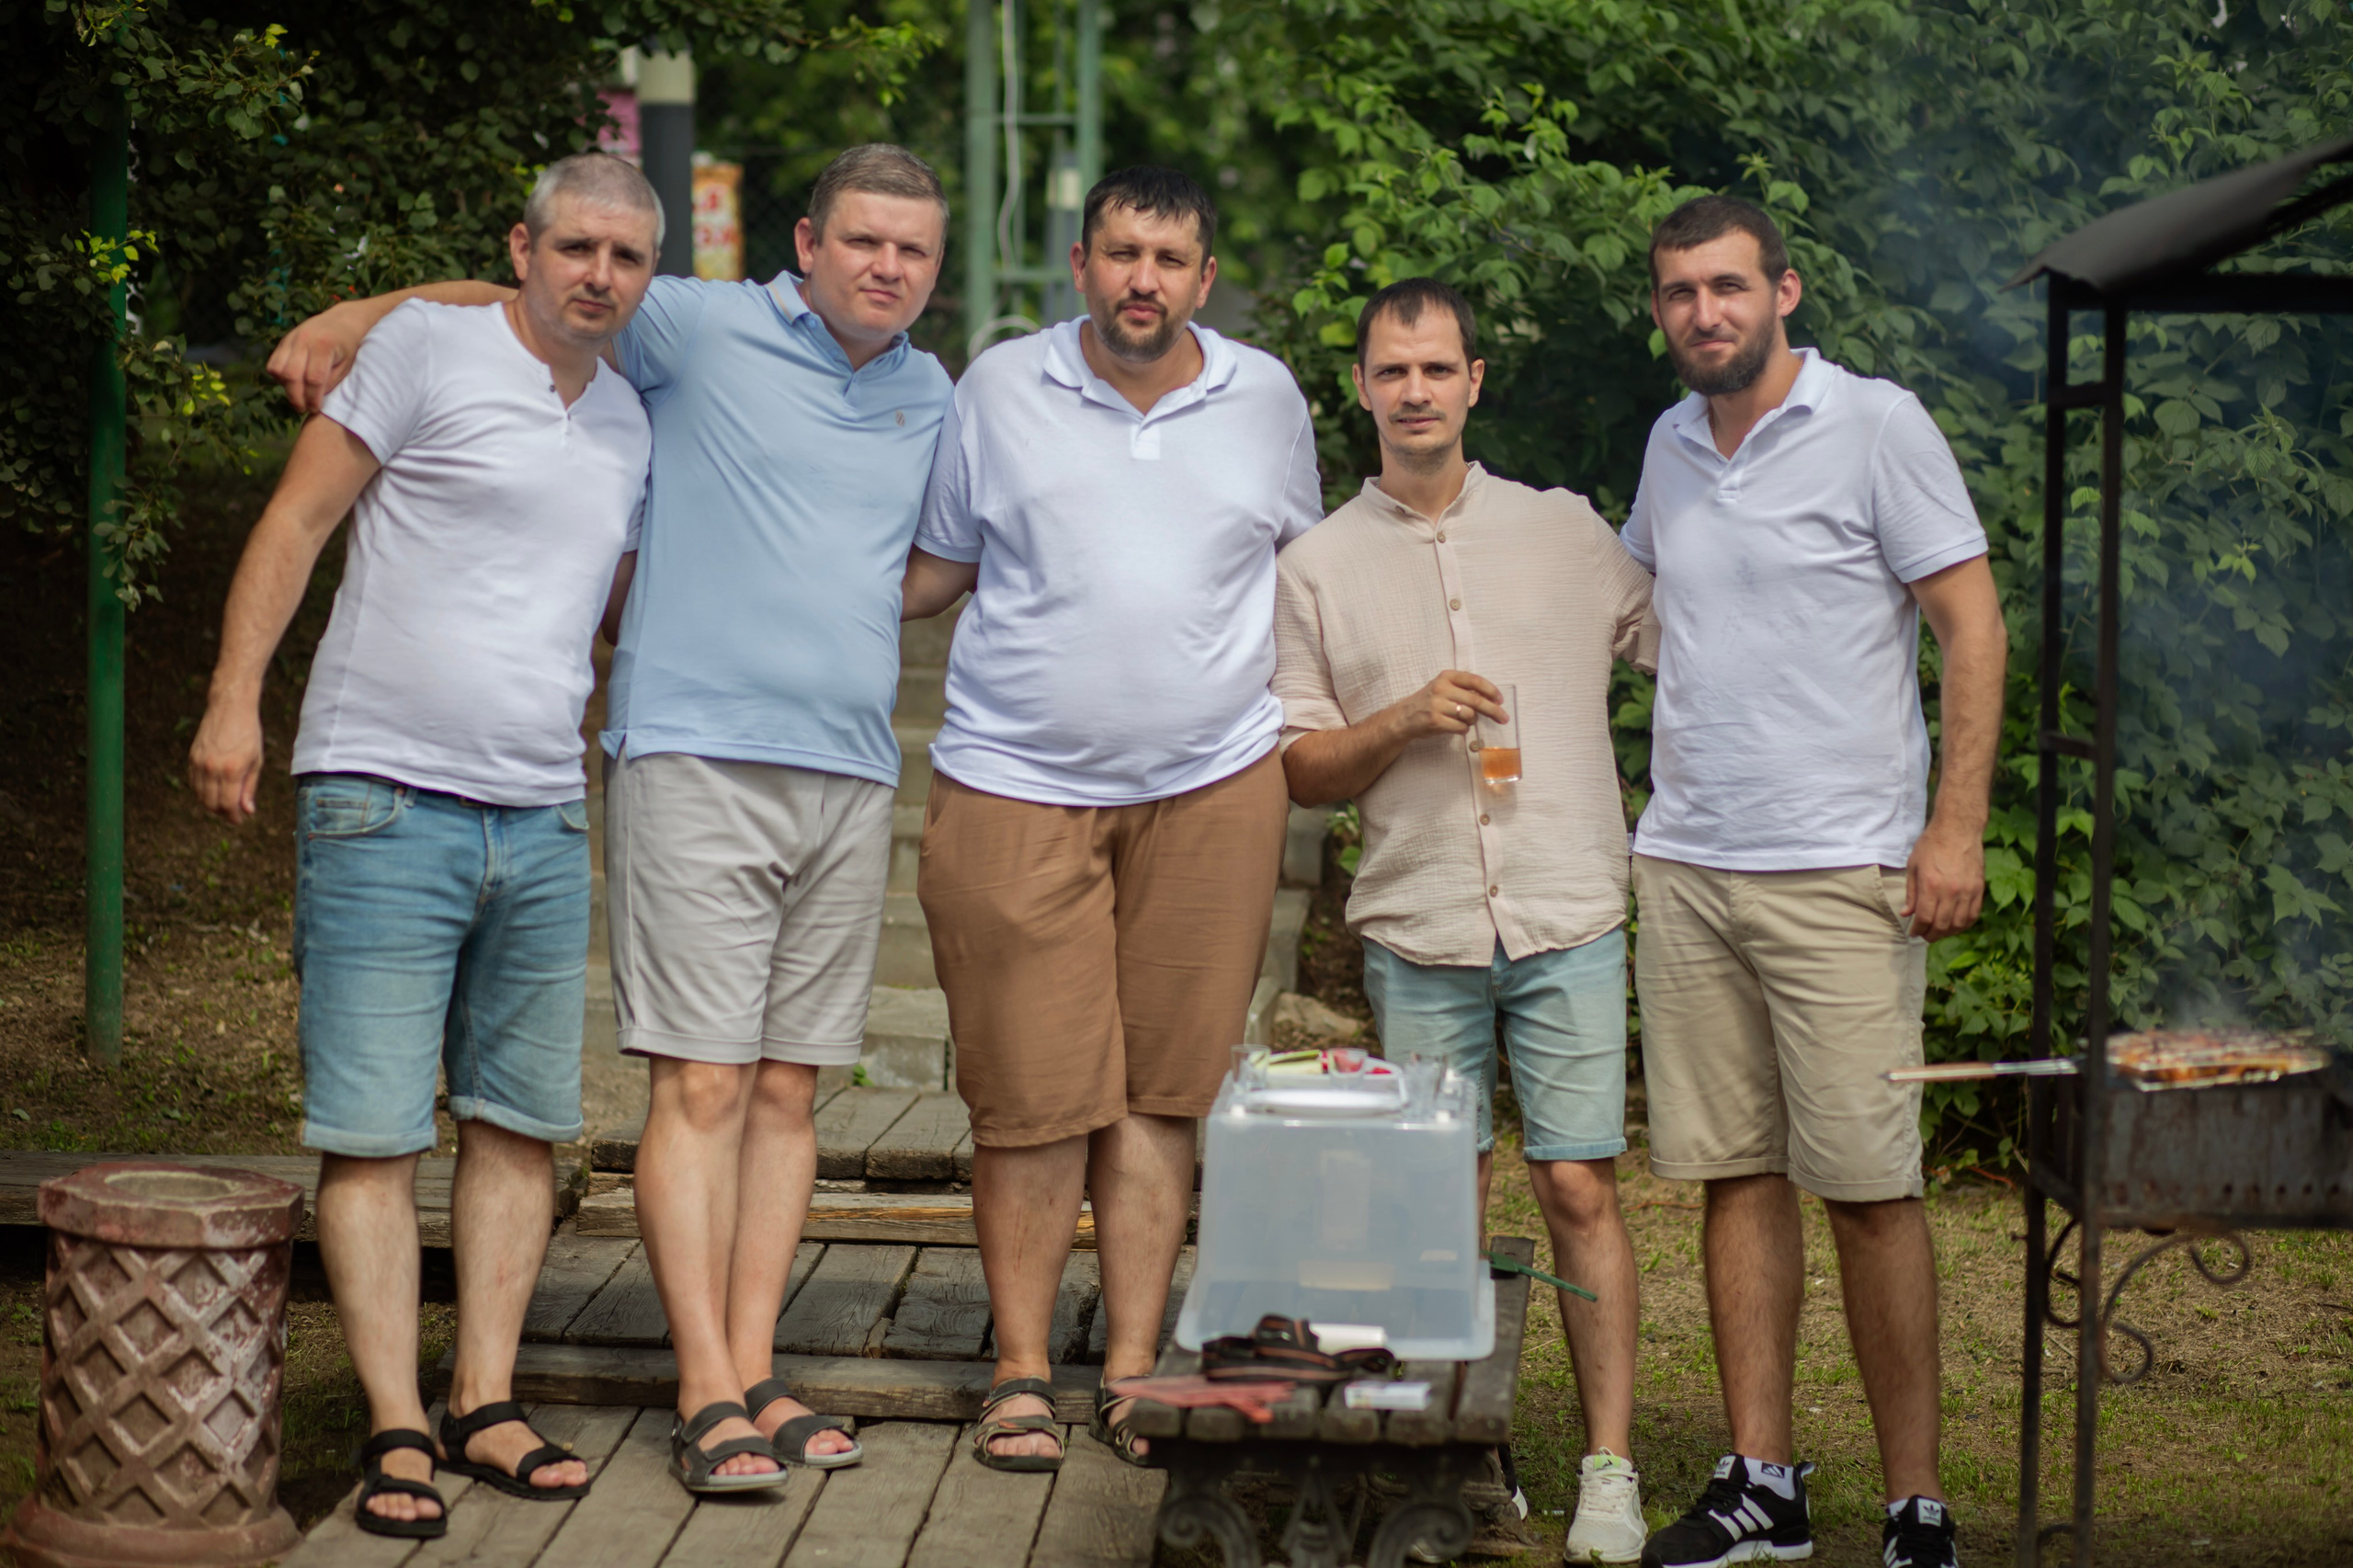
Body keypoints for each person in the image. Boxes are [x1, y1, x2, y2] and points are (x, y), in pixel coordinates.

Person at [263, 143, 958, 1494]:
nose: (885, 266)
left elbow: (937, 558)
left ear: (933, 270)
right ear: (806, 243)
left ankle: (756, 1365)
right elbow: (542, 291)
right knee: (698, 1080)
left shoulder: (930, 391)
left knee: (789, 1087)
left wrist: (847, 606)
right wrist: (363, 316)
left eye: (912, 250)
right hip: (691, 752)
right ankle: (704, 1389)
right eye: (863, 240)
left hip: (852, 770)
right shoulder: (701, 324)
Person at [188, 152, 660, 1538]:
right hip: (381, 787)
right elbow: (296, 521)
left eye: (626, 259)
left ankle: (486, 1396)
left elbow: (609, 608)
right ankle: (396, 1421)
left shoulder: (631, 417)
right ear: (522, 246)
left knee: (517, 1123)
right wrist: (232, 703)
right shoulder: (426, 352)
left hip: (544, 804)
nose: (599, 276)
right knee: (378, 1128)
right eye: (576, 247)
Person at [901, 165, 1320, 1472]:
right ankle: (1022, 1368)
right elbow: (936, 566)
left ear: (1204, 276)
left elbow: (1309, 578)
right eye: (1124, 252)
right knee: (1028, 1097)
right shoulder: (999, 388)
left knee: (1161, 1091)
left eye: (1172, 258)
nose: (1146, 278)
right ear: (1081, 263)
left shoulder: (1265, 400)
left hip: (1214, 783)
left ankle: (1135, 1366)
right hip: (1016, 782)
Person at [1623, 196, 2003, 1568]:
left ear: (1783, 290)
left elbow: (1971, 626)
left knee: (1869, 1185)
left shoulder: (1876, 424)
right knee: (1735, 1174)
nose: (1704, 314)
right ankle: (1762, 1486)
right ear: (1661, 309)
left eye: (1728, 287)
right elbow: (1635, 611)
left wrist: (1949, 830)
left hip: (1843, 867)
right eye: (1679, 293)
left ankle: (1916, 1507)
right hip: (1689, 861)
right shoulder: (1670, 444)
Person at [1273, 276, 1655, 1562]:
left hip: (1567, 909)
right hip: (1420, 922)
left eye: (1438, 369)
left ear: (1474, 381)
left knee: (1578, 1184)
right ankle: (1461, 1449)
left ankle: (1611, 1466)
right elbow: (1303, 767)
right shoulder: (1318, 564)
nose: (1417, 390)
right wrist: (1402, 718)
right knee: (1436, 1198)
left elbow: (1693, 641)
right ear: (1365, 387)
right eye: (1394, 371)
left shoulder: (1564, 530)